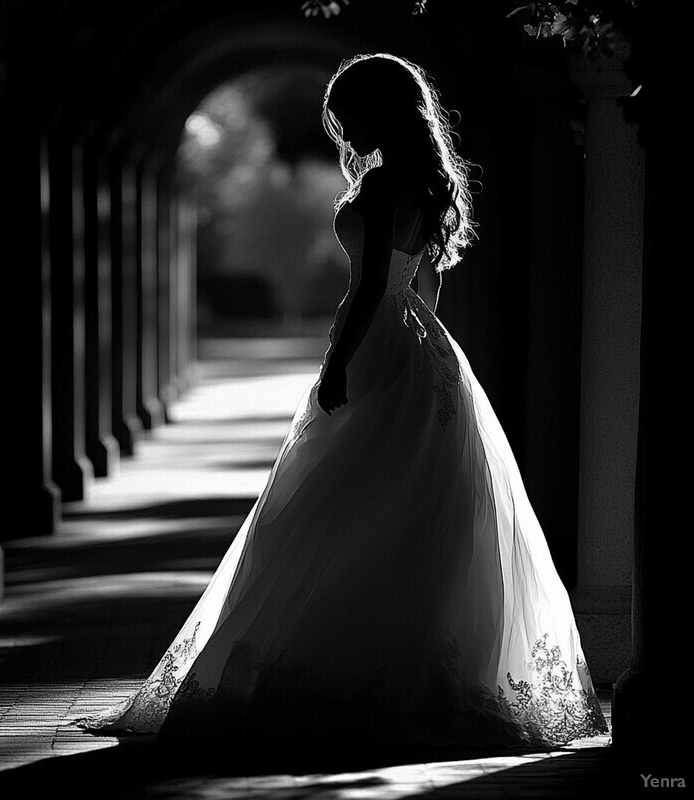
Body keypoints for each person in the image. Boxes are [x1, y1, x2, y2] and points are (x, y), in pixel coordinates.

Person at [77, 53, 608, 763]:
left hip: (382, 341)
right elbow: (424, 288)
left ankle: (357, 673)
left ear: (383, 111)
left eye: (350, 114)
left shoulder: (388, 183)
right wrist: (434, 355)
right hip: (425, 346)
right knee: (409, 506)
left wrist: (336, 363)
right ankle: (413, 671)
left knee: (350, 502)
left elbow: (366, 291)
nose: (344, 129)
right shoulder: (424, 181)